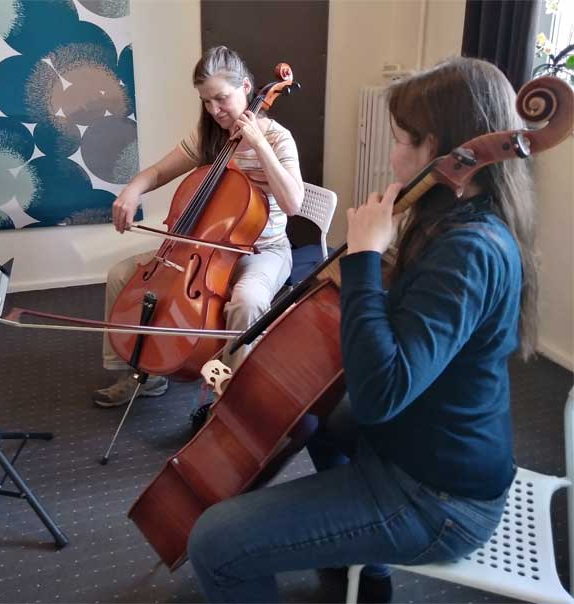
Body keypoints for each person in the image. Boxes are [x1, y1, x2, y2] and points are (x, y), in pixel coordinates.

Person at [185, 56, 538, 603]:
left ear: (442, 151)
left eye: (400, 139)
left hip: (439, 497)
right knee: (313, 415)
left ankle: (365, 545)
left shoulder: (468, 249)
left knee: (213, 543)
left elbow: (381, 394)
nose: (392, 154)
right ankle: (367, 567)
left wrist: (366, 259)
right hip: (418, 441)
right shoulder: (450, 220)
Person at [93, 46, 304, 408]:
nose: (215, 111)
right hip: (202, 248)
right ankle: (140, 373)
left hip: (262, 250)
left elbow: (293, 204)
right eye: (207, 102)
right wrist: (131, 192)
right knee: (121, 274)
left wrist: (257, 145)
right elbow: (159, 171)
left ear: (247, 87)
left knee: (247, 301)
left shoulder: (278, 139)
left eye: (221, 99)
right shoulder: (208, 134)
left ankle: (235, 396)